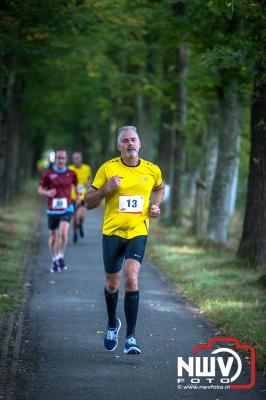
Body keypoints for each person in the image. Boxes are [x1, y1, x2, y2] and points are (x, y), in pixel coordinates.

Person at [85, 126, 165, 354]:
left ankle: (131, 337)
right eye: (125, 141)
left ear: (140, 144)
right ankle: (113, 324)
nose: (130, 144)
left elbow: (159, 188)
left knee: (131, 278)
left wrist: (155, 205)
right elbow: (88, 202)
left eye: (133, 140)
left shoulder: (152, 169)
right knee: (112, 283)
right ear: (118, 145)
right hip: (112, 233)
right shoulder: (107, 169)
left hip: (137, 231)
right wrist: (105, 190)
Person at [38, 149, 81, 273]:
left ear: (66, 159)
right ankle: (54, 258)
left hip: (67, 208)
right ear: (55, 159)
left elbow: (76, 186)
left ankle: (60, 256)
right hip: (52, 210)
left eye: (63, 158)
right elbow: (40, 189)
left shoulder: (71, 173)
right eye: (58, 158)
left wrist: (78, 196)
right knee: (53, 235)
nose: (60, 160)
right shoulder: (48, 174)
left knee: (63, 233)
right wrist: (47, 192)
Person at [69, 151, 92, 243]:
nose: (76, 160)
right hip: (72, 197)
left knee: (81, 216)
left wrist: (89, 184)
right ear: (72, 159)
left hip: (83, 196)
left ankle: (81, 225)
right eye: (74, 158)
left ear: (81, 158)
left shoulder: (87, 168)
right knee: (74, 219)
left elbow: (90, 179)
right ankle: (75, 233)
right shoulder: (69, 169)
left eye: (78, 158)